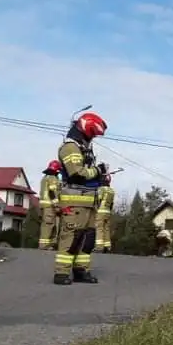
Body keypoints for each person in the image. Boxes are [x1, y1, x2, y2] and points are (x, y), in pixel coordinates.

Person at [54, 111, 108, 285]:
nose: (93, 138)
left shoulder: (82, 147)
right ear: (85, 129)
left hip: (88, 201)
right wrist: (98, 171)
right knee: (71, 238)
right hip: (74, 201)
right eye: (92, 134)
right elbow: (77, 173)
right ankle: (61, 273)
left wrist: (99, 176)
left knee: (87, 239)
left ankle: (81, 271)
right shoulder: (70, 147)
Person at [38, 160, 62, 250]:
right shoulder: (52, 178)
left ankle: (50, 244)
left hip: (44, 205)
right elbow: (52, 192)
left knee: (48, 224)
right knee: (49, 225)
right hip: (50, 206)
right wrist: (56, 205)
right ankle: (44, 245)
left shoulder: (45, 178)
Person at [95, 174, 115, 253]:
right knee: (106, 229)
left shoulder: (101, 189)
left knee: (99, 228)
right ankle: (107, 247)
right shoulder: (111, 191)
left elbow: (99, 200)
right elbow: (112, 203)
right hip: (108, 212)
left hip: (100, 211)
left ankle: (99, 247)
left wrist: (96, 209)